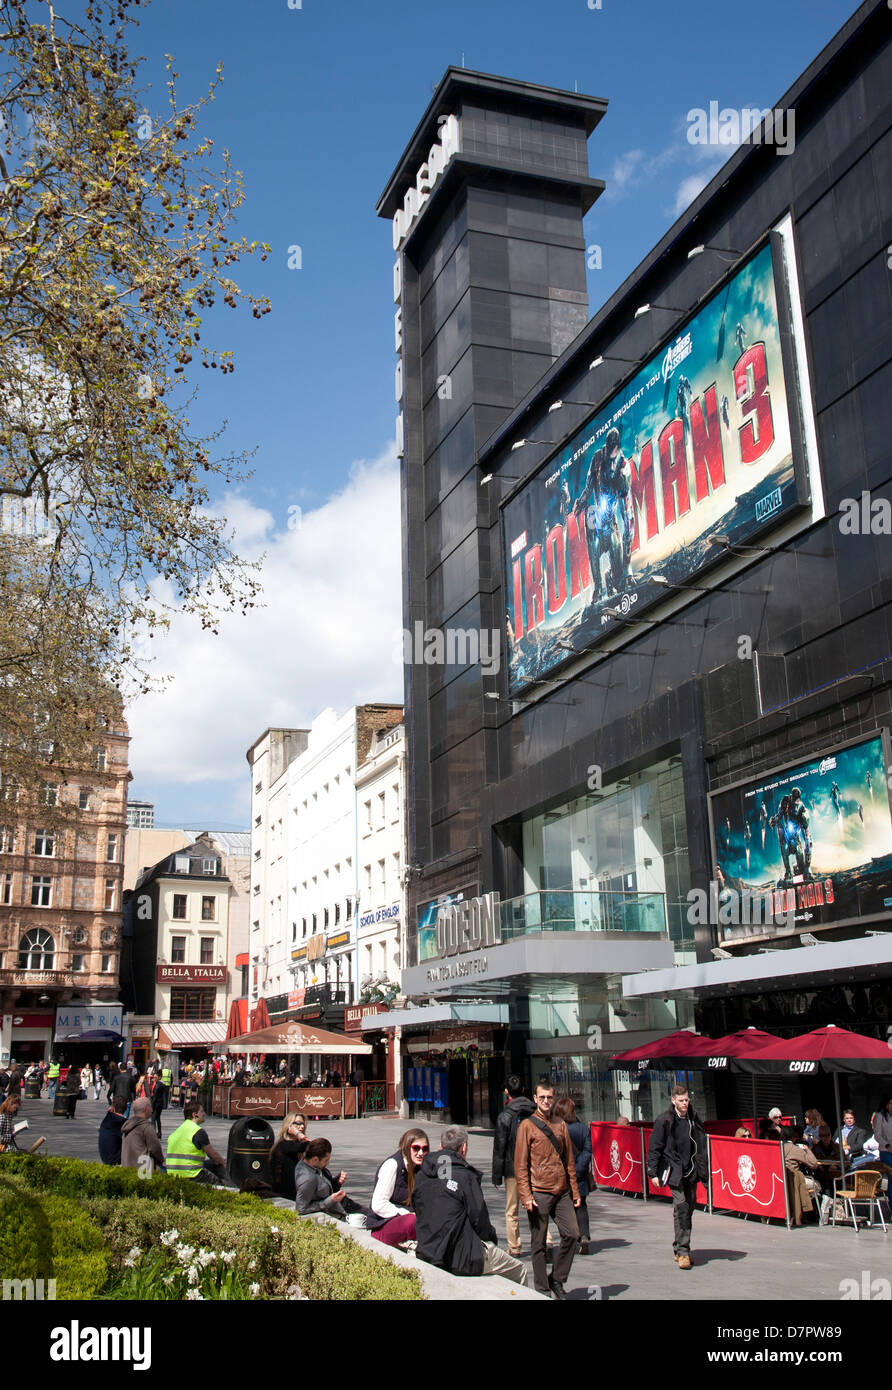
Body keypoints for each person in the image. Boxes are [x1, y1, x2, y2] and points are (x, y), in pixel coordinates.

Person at [413, 1125, 527, 1285]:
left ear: (440, 1146)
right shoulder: (465, 1177)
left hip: (427, 1249)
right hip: (462, 1257)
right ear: (464, 1148)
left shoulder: (422, 1174)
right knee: (520, 1270)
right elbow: (479, 1219)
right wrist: (491, 1239)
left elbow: (418, 1208)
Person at [514, 1081, 581, 1299]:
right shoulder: (527, 1126)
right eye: (542, 1097)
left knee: (572, 1234)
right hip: (539, 1190)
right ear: (535, 1098)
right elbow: (520, 1164)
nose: (545, 1101)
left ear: (553, 1098)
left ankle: (557, 1279)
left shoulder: (560, 1124)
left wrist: (575, 1192)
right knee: (539, 1243)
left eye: (549, 1097)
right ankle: (542, 1289)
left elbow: (569, 1160)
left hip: (561, 1189)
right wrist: (525, 1195)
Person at [646, 1084, 708, 1270]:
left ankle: (678, 1245)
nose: (685, 1104)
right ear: (673, 1101)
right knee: (681, 1207)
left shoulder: (693, 1118)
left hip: (691, 1171)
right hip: (674, 1171)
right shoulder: (664, 1120)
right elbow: (655, 1147)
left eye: (687, 1100)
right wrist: (653, 1172)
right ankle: (683, 1252)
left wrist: (704, 1170)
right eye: (681, 1101)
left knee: (688, 1209)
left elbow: (702, 1143)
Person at [491, 1076, 536, 1257]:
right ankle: (546, 1240)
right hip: (534, 1167)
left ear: (507, 1092)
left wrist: (496, 1176)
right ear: (524, 1090)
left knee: (512, 1210)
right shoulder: (535, 1112)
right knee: (537, 1204)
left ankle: (515, 1247)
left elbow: (499, 1147)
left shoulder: (505, 1117)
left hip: (513, 1169)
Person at [366, 1128, 429, 1247]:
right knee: (412, 1221)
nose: (420, 1153)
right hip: (383, 1225)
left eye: (424, 1149)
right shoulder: (392, 1165)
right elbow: (378, 1204)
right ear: (407, 1147)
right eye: (416, 1148)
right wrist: (405, 1213)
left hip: (410, 1219)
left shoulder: (422, 1169)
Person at [553, 1096, 593, 1255]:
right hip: (579, 1174)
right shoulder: (583, 1129)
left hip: (563, 1174)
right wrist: (579, 1168)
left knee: (564, 1207)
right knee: (581, 1205)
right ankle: (584, 1236)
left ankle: (570, 1237)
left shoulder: (558, 1129)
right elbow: (588, 1151)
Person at [293, 1138, 365, 1218]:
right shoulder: (307, 1179)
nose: (328, 1163)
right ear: (315, 1159)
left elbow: (323, 1187)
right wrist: (330, 1200)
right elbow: (301, 1209)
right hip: (337, 1211)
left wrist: (337, 1181)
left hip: (342, 1205)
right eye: (326, 1160)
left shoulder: (311, 1164)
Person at [166, 1101, 230, 1184]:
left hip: (173, 1174)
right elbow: (213, 1155)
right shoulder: (198, 1132)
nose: (204, 1114)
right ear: (194, 1115)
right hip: (192, 1174)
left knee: (210, 1163)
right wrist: (223, 1163)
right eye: (202, 1111)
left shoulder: (176, 1132)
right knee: (219, 1183)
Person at [270, 1112, 309, 1200]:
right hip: (284, 1194)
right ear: (289, 1126)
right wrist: (299, 1134)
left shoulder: (294, 1145)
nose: (302, 1126)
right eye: (298, 1123)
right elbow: (309, 1146)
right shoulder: (284, 1144)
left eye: (303, 1124)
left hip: (294, 1190)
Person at [121, 1097, 165, 1172]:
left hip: (127, 1167)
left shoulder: (127, 1125)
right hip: (142, 1171)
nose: (152, 1110)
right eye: (150, 1107)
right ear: (145, 1109)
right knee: (164, 1171)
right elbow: (155, 1149)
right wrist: (161, 1160)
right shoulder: (146, 1127)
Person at [98, 1097, 128, 1165]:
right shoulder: (123, 1123)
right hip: (116, 1159)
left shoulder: (107, 1120)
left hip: (105, 1157)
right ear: (126, 1109)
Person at [150, 1064, 171, 1140]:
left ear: (159, 1077)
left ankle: (154, 1134)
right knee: (158, 1118)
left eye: (155, 1077)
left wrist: (152, 1106)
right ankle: (159, 1133)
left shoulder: (158, 1085)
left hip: (156, 1104)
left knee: (153, 1119)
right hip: (160, 1103)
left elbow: (155, 1096)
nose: (154, 1078)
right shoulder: (162, 1084)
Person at [872, 1097, 892, 1168]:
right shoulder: (880, 1116)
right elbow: (877, 1135)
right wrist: (887, 1146)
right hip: (886, 1150)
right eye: (891, 1103)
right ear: (886, 1104)